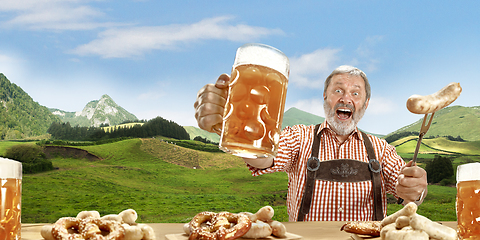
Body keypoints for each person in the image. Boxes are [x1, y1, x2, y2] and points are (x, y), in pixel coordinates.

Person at [194, 65, 428, 222]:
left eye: (356, 93)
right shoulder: (299, 137)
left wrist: (417, 189)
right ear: (325, 98)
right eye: (338, 90)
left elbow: (409, 190)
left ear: (365, 104)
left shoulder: (382, 150)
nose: (346, 98)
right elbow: (263, 157)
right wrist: (235, 125)